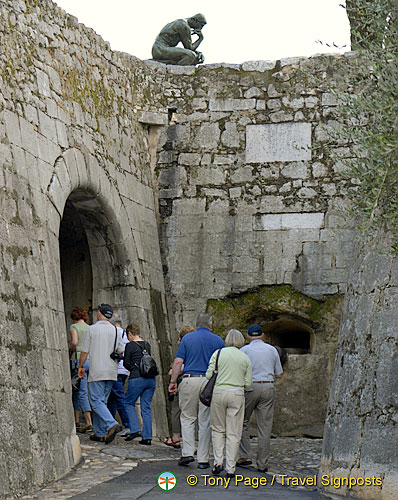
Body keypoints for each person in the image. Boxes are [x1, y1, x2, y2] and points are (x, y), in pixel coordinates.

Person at [169, 313, 224, 469]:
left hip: (189, 379)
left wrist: (173, 382)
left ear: (197, 324)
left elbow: (179, 361)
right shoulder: (218, 340)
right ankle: (203, 459)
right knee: (205, 420)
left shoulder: (187, 339)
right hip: (208, 382)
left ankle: (187, 453)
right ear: (210, 324)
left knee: (187, 418)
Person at [237, 324, 283, 472]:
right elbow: (279, 373)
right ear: (263, 335)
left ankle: (245, 454)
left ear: (249, 336)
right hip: (268, 386)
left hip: (250, 386)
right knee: (265, 427)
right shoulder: (272, 350)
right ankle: (262, 463)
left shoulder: (244, 350)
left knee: (242, 420)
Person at [206, 329, 252, 478]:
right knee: (234, 432)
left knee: (218, 429)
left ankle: (218, 462)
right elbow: (248, 383)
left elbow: (208, 374)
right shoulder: (244, 357)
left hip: (219, 392)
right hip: (237, 393)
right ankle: (230, 467)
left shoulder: (218, 353)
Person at [78, 303, 124, 444]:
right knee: (102, 401)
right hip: (111, 370)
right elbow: (120, 350)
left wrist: (80, 366)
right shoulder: (117, 331)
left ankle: (111, 423)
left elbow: (85, 351)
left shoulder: (92, 329)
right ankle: (99, 433)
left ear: (99, 314)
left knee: (96, 401)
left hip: (97, 369)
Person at [123, 323, 157, 445]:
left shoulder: (130, 345)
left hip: (137, 378)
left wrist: (132, 367)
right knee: (146, 407)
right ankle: (147, 437)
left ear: (130, 334)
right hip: (151, 378)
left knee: (128, 403)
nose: (128, 338)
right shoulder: (147, 344)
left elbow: (126, 363)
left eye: (128, 335)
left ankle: (135, 430)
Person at [164, 325, 195, 449]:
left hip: (185, 381)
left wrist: (173, 374)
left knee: (177, 410)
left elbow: (180, 364)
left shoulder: (185, 345)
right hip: (201, 380)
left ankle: (176, 438)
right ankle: (197, 443)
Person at [69, 306, 92, 433]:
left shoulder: (74, 327)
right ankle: (76, 420)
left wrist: (70, 351)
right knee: (79, 390)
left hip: (79, 360)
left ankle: (88, 422)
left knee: (80, 391)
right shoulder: (89, 328)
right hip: (89, 360)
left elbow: (74, 341)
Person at [107, 315, 131, 437]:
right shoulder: (127, 334)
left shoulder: (114, 332)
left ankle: (127, 424)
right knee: (113, 397)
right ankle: (110, 424)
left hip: (116, 368)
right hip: (124, 370)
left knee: (119, 397)